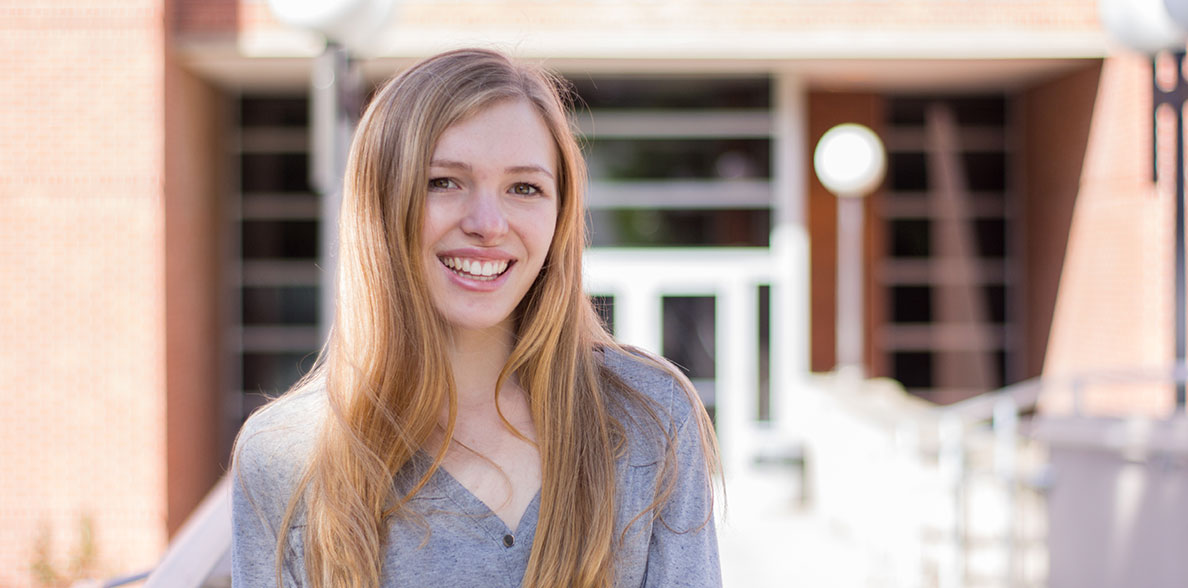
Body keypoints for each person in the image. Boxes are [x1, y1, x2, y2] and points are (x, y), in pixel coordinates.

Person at [231, 47, 721, 588]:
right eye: (444, 181)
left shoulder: (650, 418)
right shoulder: (284, 454)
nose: (488, 223)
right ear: (380, 203)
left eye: (524, 188)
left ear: (560, 218)